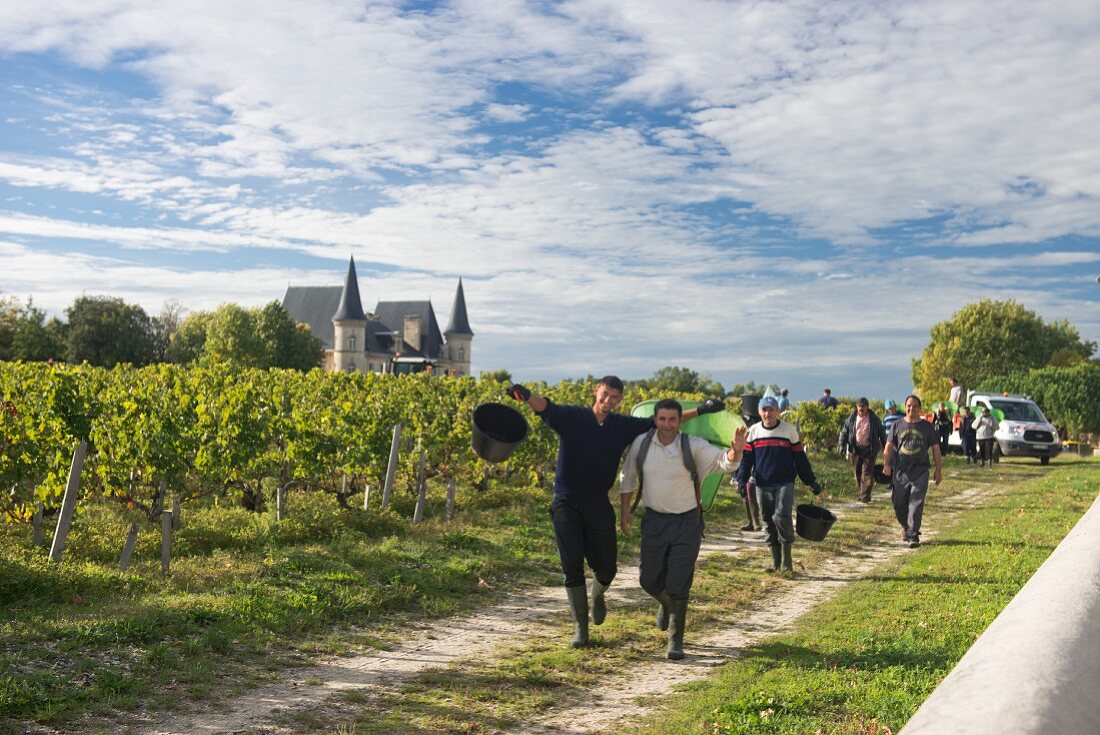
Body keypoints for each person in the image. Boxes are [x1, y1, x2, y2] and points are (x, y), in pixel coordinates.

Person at [508, 377, 721, 647]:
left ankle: (598, 594)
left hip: (597, 502)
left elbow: (661, 422)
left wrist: (702, 410)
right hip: (566, 500)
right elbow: (546, 408)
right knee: (571, 563)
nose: (608, 400)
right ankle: (580, 629)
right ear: (596, 391)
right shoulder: (573, 417)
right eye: (605, 394)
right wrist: (526, 395)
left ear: (620, 400)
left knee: (607, 567)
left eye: (614, 397)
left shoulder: (621, 426)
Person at [620, 399, 747, 659]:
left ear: (680, 421)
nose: (667, 425)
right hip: (654, 521)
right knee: (648, 579)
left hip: (686, 523)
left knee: (679, 581)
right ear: (655, 420)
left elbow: (726, 463)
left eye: (672, 420)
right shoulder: (641, 444)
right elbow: (628, 477)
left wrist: (736, 451)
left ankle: (675, 641)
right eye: (662, 419)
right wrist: (624, 512)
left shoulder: (693, 445)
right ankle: (666, 604)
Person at [735, 396, 823, 574]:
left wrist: (810, 480)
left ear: (778, 411)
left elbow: (800, 458)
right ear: (760, 412)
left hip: (785, 482)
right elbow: (746, 460)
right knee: (768, 520)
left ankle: (787, 562)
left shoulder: (788, 431)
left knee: (782, 516)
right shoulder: (753, 432)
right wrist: (741, 480)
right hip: (762, 483)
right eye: (765, 410)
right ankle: (775, 563)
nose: (768, 413)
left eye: (772, 409)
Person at [882, 394, 943, 548]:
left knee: (916, 502)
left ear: (919, 408)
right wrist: (886, 464)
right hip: (900, 471)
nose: (912, 409)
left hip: (920, 471)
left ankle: (913, 535)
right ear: (905, 407)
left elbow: (936, 449)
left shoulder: (927, 427)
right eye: (909, 406)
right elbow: (888, 447)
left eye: (915, 406)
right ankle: (906, 526)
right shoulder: (897, 425)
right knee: (898, 502)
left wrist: (938, 470)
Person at [837, 397, 884, 502]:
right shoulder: (851, 419)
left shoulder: (874, 419)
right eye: (859, 406)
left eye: (863, 406)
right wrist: (842, 445)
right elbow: (844, 432)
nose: (861, 408)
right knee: (857, 472)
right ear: (856, 407)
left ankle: (865, 495)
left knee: (867, 472)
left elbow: (882, 433)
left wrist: (886, 447)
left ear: (867, 407)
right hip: (856, 449)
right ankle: (861, 491)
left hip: (870, 449)